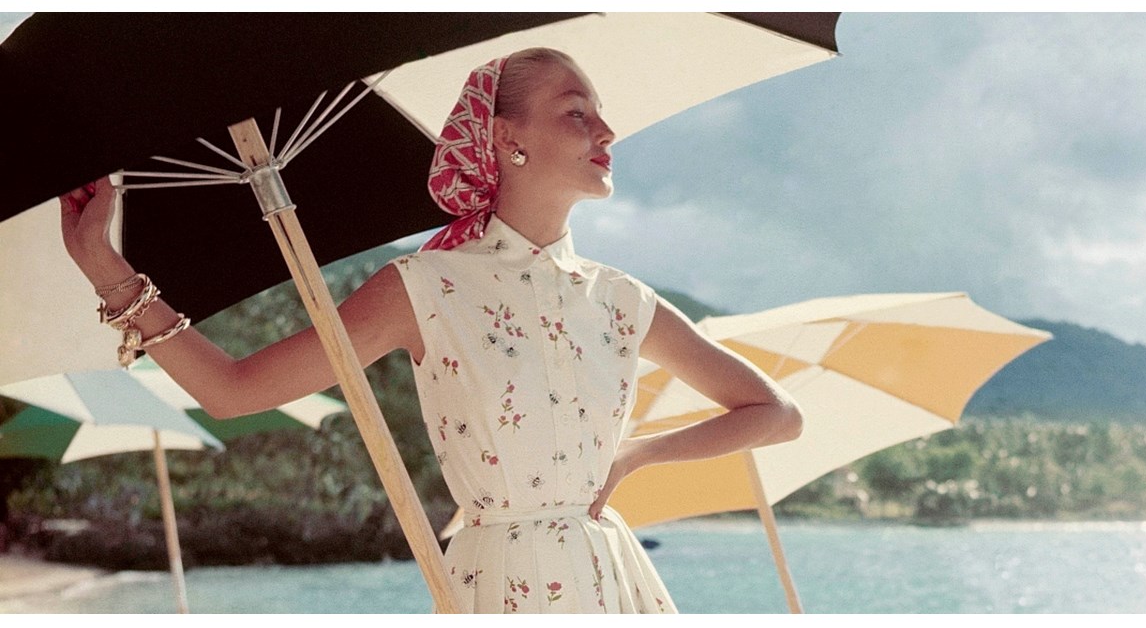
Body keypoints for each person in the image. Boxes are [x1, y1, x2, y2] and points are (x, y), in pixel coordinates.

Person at [60, 47, 803, 614]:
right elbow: (231, 390)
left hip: (611, 579)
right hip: (497, 584)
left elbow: (775, 413)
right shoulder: (425, 287)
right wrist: (101, 264)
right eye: (577, 112)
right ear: (505, 136)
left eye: (600, 113)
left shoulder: (621, 299)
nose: (607, 130)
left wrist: (635, 456)